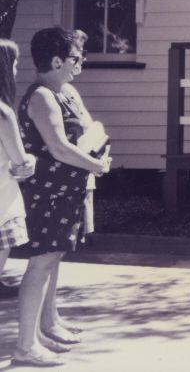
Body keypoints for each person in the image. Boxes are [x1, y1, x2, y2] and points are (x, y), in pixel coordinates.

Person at [16, 27, 111, 367]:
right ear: (55, 61)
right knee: (41, 262)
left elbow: (85, 130)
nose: (79, 64)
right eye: (75, 58)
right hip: (48, 191)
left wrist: (96, 153)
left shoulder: (66, 91)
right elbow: (58, 147)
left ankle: (47, 326)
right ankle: (26, 346)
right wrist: (96, 165)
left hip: (69, 187)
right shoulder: (42, 96)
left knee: (53, 258)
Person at [0, 39, 36, 299]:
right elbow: (19, 160)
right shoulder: (2, 113)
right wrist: (30, 162)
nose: (15, 70)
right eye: (13, 64)